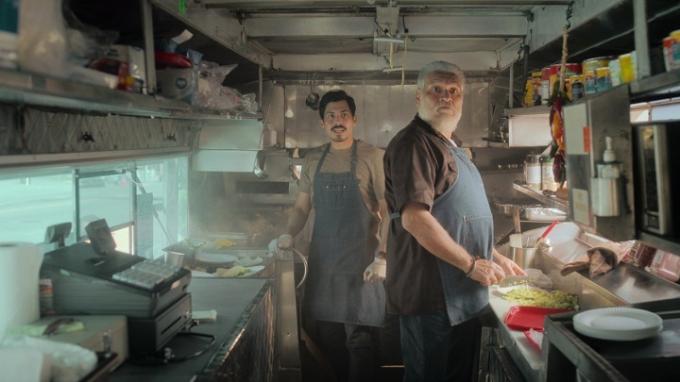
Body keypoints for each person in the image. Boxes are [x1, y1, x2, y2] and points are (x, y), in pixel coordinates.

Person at [383, 61, 525, 382]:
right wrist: (473, 265)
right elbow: (415, 219)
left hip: (462, 294)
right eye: (437, 90)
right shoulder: (414, 144)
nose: (446, 97)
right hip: (432, 296)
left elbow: (458, 219)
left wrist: (493, 255)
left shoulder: (452, 145)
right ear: (419, 97)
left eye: (454, 92)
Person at [277, 90, 389, 382]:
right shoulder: (314, 160)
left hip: (361, 265)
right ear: (322, 123)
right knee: (329, 341)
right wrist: (288, 233)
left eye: (343, 115)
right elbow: (301, 208)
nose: (337, 121)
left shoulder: (374, 157)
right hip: (324, 265)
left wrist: (383, 257)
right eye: (331, 116)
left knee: (360, 341)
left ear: (354, 120)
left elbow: (389, 213)